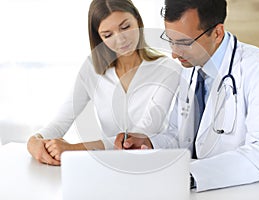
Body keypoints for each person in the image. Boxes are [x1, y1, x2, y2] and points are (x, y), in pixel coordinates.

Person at [114, 0, 259, 192]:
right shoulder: (191, 67)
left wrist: (191, 175)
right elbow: (180, 136)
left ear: (217, 33)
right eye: (171, 40)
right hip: (213, 190)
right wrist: (150, 143)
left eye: (184, 42)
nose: (174, 54)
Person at [27, 0, 181, 166]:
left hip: (152, 165)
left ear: (138, 20)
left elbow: (140, 135)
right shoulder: (92, 69)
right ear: (99, 37)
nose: (120, 40)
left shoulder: (168, 70)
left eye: (125, 27)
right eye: (108, 35)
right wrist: (35, 141)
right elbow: (61, 121)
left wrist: (74, 149)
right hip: (106, 167)